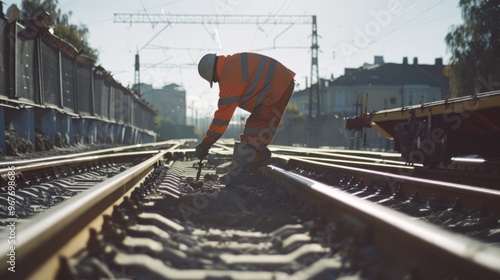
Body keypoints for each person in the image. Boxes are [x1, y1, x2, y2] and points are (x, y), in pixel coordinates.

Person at [195, 52, 295, 184]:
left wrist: (206, 143)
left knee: (256, 131)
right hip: (277, 83)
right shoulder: (230, 64)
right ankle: (251, 167)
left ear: (212, 72)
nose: (215, 81)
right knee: (253, 129)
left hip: (278, 85)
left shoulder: (229, 78)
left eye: (213, 79)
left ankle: (251, 168)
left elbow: (222, 119)